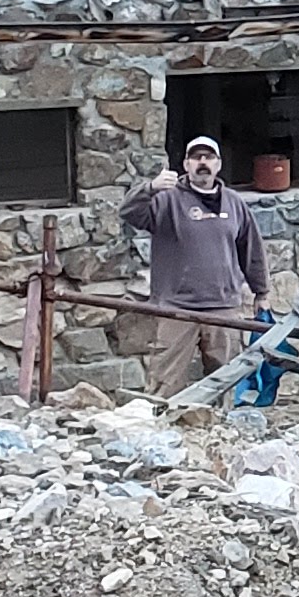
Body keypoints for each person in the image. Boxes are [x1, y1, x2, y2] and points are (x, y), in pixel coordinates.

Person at [123, 135, 269, 400]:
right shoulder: (166, 200)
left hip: (223, 306)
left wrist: (262, 292)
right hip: (176, 308)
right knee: (164, 382)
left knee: (225, 381)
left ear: (218, 165)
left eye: (209, 157)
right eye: (196, 157)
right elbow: (129, 212)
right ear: (186, 165)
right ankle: (159, 427)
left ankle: (220, 431)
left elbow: (251, 250)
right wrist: (150, 188)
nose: (203, 163)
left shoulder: (234, 203)